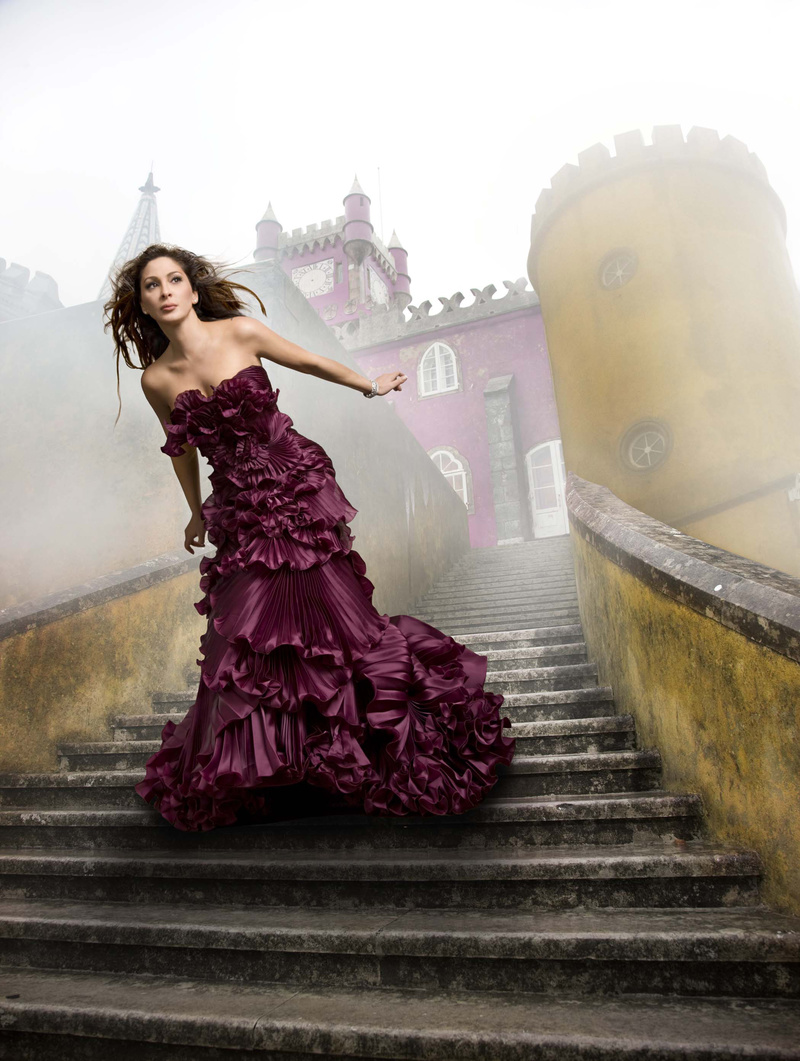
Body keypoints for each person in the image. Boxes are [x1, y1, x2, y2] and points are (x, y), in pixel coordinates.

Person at [103, 243, 515, 831]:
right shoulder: (156, 380)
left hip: (296, 491)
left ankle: (356, 751)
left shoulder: (241, 333)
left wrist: (369, 385)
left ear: (193, 290)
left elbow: (311, 363)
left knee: (331, 626)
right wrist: (195, 512)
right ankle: (281, 761)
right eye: (151, 285)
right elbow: (181, 450)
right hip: (241, 512)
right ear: (142, 303)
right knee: (248, 641)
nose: (165, 291)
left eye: (174, 280)